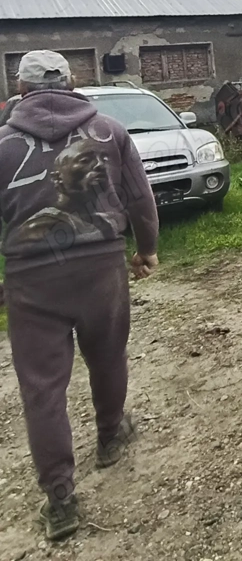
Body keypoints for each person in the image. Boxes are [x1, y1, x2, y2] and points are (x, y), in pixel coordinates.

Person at [0, 50, 160, 541]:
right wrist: (147, 250)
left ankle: (61, 501)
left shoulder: (2, 144)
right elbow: (139, 198)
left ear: (21, 88)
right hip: (101, 268)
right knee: (109, 357)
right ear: (72, 81)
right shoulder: (109, 130)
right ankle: (111, 436)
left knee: (42, 388)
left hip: (30, 279)